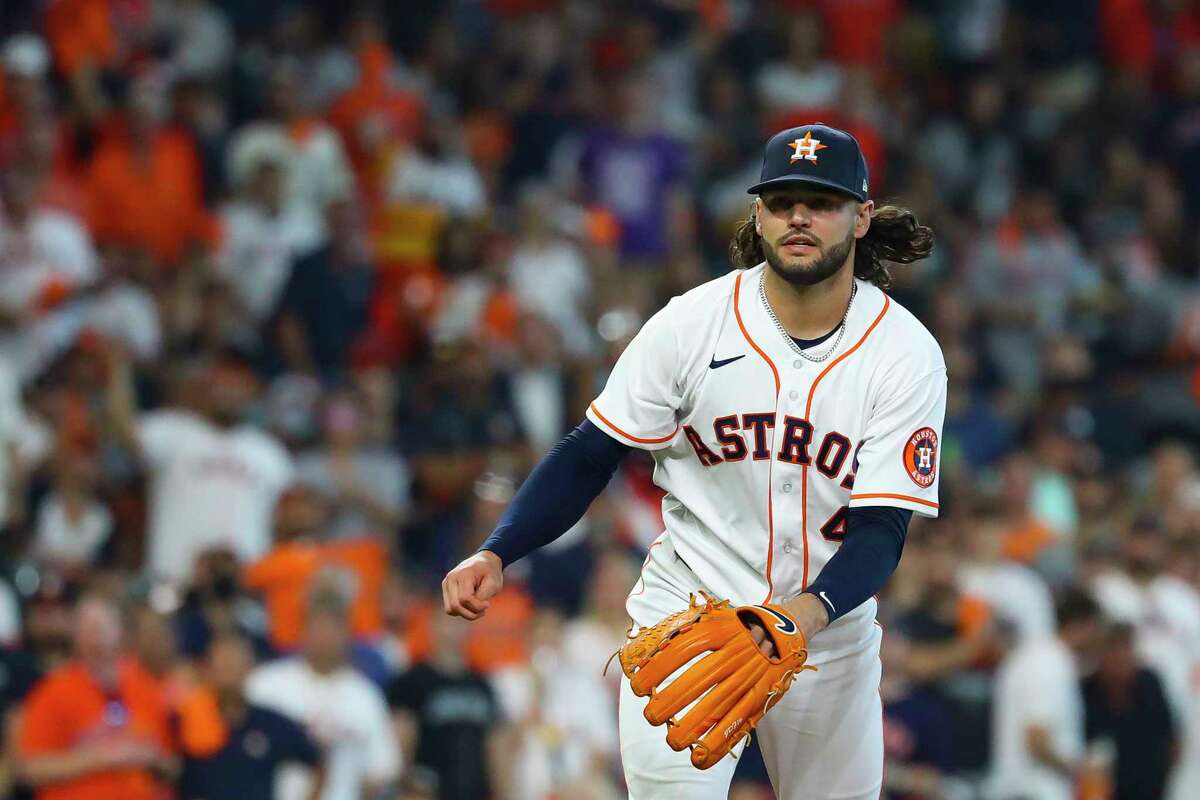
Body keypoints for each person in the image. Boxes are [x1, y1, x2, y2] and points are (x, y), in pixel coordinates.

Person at [443, 122, 946, 799]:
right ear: (758, 215)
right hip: (690, 616)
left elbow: (882, 530)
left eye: (821, 202)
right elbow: (589, 454)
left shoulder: (903, 354)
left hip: (827, 629)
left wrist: (803, 613)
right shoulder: (691, 324)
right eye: (782, 199)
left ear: (860, 219)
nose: (800, 216)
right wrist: (497, 550)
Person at [17, 594, 177, 800]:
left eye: (102, 627)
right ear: (76, 636)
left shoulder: (146, 686)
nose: (96, 637)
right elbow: (31, 769)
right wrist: (104, 756)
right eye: (88, 629)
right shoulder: (53, 691)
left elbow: (169, 763)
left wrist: (150, 757)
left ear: (120, 632)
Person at [245, 586, 400, 800]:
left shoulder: (364, 695)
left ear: (347, 634)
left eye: (332, 628)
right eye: (317, 627)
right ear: (302, 630)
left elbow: (383, 767)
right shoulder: (266, 685)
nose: (324, 637)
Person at [177, 633, 325, 800]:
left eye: (234, 665)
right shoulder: (186, 718)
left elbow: (317, 758)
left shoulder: (270, 723)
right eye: (223, 665)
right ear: (208, 670)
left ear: (249, 668)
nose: (229, 673)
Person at [988, 588, 1103, 800]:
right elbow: (1036, 739)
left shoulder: (1036, 656)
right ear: (1084, 625)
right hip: (1032, 792)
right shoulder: (1049, 663)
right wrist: (1082, 771)